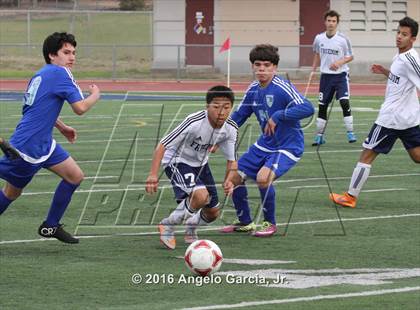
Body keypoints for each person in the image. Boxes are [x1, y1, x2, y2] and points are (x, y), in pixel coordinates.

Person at [0, 32, 100, 243]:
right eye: (66, 52)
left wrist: (61, 126)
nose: (71, 57)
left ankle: (51, 226)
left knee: (75, 176)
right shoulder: (61, 73)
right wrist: (95, 95)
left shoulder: (40, 75)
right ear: (52, 55)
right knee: (10, 193)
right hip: (29, 149)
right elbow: (80, 108)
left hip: (43, 144)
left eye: (73, 52)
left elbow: (34, 109)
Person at [220, 44, 314, 237]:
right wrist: (217, 135)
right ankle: (245, 222)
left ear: (275, 68)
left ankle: (269, 223)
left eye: (266, 65)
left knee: (263, 178)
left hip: (288, 146)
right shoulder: (253, 88)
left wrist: (279, 115)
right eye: (258, 65)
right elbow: (240, 115)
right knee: (234, 176)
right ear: (253, 67)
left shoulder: (282, 87)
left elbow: (308, 108)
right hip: (265, 144)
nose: (262, 69)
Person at [330, 17, 420, 208]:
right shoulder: (400, 57)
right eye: (398, 32)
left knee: (367, 154)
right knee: (417, 157)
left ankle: (350, 197)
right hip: (407, 118)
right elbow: (402, 79)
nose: (399, 37)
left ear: (413, 39)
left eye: (404, 35)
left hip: (391, 119)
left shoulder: (410, 58)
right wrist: (385, 72)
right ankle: (350, 196)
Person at [145, 85, 238, 250]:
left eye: (226, 107)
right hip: (176, 160)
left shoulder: (231, 128)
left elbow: (231, 160)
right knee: (200, 196)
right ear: (207, 106)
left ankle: (191, 227)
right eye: (216, 107)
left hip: (201, 164)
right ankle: (168, 225)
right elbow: (162, 145)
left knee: (213, 212)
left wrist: (228, 181)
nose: (221, 112)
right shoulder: (194, 122)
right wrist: (153, 174)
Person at [311, 10, 356, 146]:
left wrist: (339, 62)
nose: (331, 23)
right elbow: (317, 54)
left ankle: (350, 132)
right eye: (329, 20)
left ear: (337, 23)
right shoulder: (319, 38)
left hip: (341, 76)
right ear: (325, 22)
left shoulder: (343, 39)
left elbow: (350, 56)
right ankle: (319, 136)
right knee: (322, 106)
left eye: (334, 21)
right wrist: (313, 70)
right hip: (325, 77)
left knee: (344, 103)